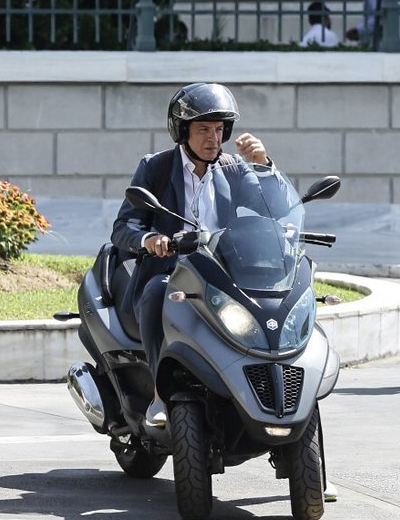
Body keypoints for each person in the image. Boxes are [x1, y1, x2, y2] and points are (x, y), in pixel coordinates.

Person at [111, 82, 284, 428]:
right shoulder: (156, 168)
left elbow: (274, 211)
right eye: (204, 129)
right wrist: (149, 239)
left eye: (219, 130)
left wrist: (264, 165)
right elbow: (123, 227)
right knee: (157, 292)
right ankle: (160, 396)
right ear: (182, 131)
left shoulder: (234, 169)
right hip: (170, 272)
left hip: (223, 273)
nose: (213, 139)